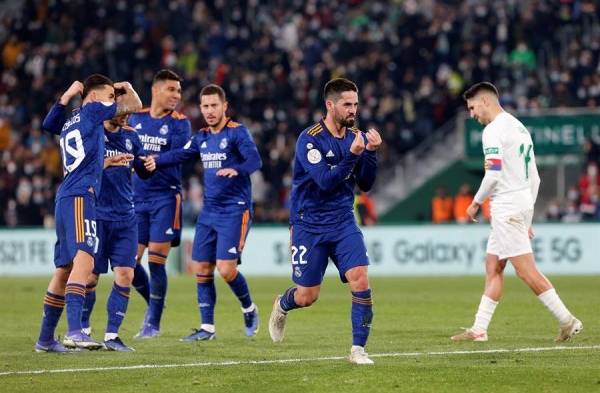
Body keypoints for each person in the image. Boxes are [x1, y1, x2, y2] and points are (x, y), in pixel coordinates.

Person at [451, 82, 582, 342]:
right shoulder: (519, 127)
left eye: (473, 107)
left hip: (506, 206)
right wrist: (528, 217)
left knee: (526, 271)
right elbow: (534, 178)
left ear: (486, 101)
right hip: (520, 202)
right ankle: (479, 329)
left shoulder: (492, 131)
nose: (472, 114)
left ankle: (567, 320)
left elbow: (493, 174)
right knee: (494, 265)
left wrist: (475, 202)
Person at [267, 78, 382, 365]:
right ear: (330, 105)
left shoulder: (355, 136)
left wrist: (371, 153)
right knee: (307, 296)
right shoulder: (310, 139)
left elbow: (365, 184)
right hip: (309, 223)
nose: (353, 109)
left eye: (355, 104)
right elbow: (325, 181)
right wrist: (354, 154)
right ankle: (282, 304)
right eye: (347, 104)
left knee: (360, 277)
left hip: (343, 220)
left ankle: (358, 350)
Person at [35, 75, 142, 352]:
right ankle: (75, 332)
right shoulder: (94, 110)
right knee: (84, 261)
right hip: (82, 197)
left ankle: (45, 340)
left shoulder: (73, 118)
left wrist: (67, 95)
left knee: (64, 269)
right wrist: (124, 87)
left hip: (65, 196)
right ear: (94, 98)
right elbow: (135, 104)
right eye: (108, 95)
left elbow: (48, 124)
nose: (113, 100)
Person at [150, 84, 261, 340]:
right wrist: (156, 160)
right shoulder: (201, 137)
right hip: (209, 211)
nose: (210, 111)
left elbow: (255, 160)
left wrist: (238, 170)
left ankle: (249, 308)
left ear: (225, 106)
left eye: (214, 106)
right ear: (201, 108)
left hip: (235, 210)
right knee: (201, 267)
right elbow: (180, 154)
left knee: (226, 269)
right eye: (205, 106)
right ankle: (207, 328)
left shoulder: (237, 133)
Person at [128, 69, 191, 339]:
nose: (177, 95)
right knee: (129, 263)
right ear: (156, 91)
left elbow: (182, 153)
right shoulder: (136, 117)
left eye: (179, 91)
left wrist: (158, 160)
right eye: (172, 90)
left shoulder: (180, 122)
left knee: (156, 260)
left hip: (166, 197)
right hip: (136, 198)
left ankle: (152, 322)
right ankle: (155, 303)